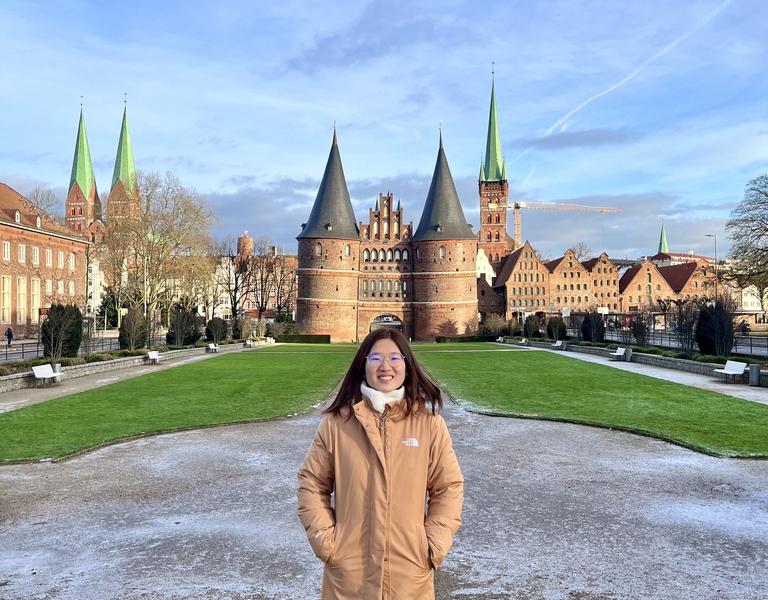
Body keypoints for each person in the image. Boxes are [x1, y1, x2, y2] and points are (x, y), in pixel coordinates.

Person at [297, 329, 464, 600]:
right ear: (363, 366)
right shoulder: (337, 425)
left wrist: (433, 544)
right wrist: (326, 541)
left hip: (409, 573)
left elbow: (448, 488)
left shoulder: (430, 425)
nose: (385, 366)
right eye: (375, 358)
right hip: (349, 576)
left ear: (407, 367)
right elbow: (311, 484)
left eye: (395, 358)